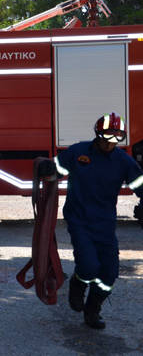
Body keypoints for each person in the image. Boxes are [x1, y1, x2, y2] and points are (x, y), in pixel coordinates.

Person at [51, 112, 143, 329]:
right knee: (89, 266)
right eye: (107, 137)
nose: (111, 143)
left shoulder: (123, 162)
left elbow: (140, 185)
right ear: (97, 134)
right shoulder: (79, 151)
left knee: (109, 273)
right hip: (79, 219)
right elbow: (56, 168)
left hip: (105, 223)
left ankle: (92, 310)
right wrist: (47, 169)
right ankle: (77, 284)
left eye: (117, 138)